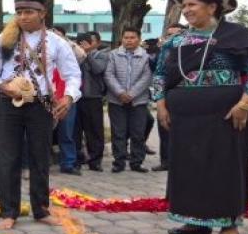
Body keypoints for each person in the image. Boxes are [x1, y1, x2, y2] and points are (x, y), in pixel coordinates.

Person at [155, 0, 248, 234]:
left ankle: (228, 223)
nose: (185, 11)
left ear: (212, 7)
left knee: (224, 164)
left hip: (225, 113)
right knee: (188, 165)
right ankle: (195, 220)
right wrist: (160, 105)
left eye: (191, 5)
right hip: (183, 114)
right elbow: (160, 74)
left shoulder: (237, 35)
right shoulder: (176, 41)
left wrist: (245, 103)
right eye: (183, 6)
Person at [0, 0, 82, 230]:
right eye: (18, 12)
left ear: (42, 13)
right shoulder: (4, 40)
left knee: (41, 156)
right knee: (8, 157)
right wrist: (4, 87)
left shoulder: (58, 43)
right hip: (9, 106)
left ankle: (41, 209)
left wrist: (69, 98)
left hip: (41, 106)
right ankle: (9, 211)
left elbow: (74, 76)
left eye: (29, 11)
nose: (23, 17)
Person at [104, 26, 152, 173]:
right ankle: (119, 162)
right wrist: (120, 93)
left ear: (138, 39)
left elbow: (147, 77)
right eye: (126, 38)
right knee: (118, 132)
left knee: (138, 132)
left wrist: (131, 94)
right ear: (122, 39)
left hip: (139, 101)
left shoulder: (146, 56)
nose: (129, 40)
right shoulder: (113, 55)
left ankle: (137, 162)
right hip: (116, 100)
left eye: (132, 38)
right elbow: (108, 75)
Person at [150, 23, 187, 171]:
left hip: (187, 96)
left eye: (176, 34)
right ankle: (165, 161)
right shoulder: (163, 50)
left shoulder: (190, 51)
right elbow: (157, 73)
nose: (172, 37)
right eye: (169, 34)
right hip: (166, 95)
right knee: (164, 128)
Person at [75, 32, 108, 172]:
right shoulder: (75, 55)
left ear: (97, 43)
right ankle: (78, 158)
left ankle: (95, 161)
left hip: (93, 97)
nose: (85, 45)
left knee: (94, 130)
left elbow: (98, 69)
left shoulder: (101, 55)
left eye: (89, 42)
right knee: (76, 131)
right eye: (81, 42)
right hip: (76, 97)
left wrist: (87, 54)